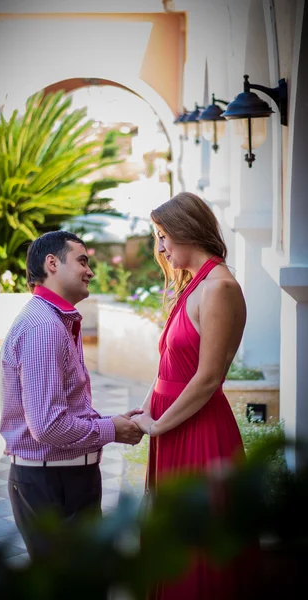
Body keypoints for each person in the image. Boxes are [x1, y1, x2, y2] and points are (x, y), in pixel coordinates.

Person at [131, 192, 255, 599]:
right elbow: (169, 363)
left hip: (198, 430)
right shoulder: (195, 285)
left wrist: (158, 425)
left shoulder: (220, 287)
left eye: (165, 236)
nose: (161, 248)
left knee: (197, 546)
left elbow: (207, 379)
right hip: (173, 426)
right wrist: (148, 408)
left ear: (188, 231)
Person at [0, 231, 143, 558]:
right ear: (52, 263)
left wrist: (112, 421)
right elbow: (47, 426)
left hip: (62, 478)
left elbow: (62, 414)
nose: (90, 271)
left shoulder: (55, 322)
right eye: (82, 261)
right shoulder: (43, 327)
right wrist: (113, 430)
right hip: (51, 482)